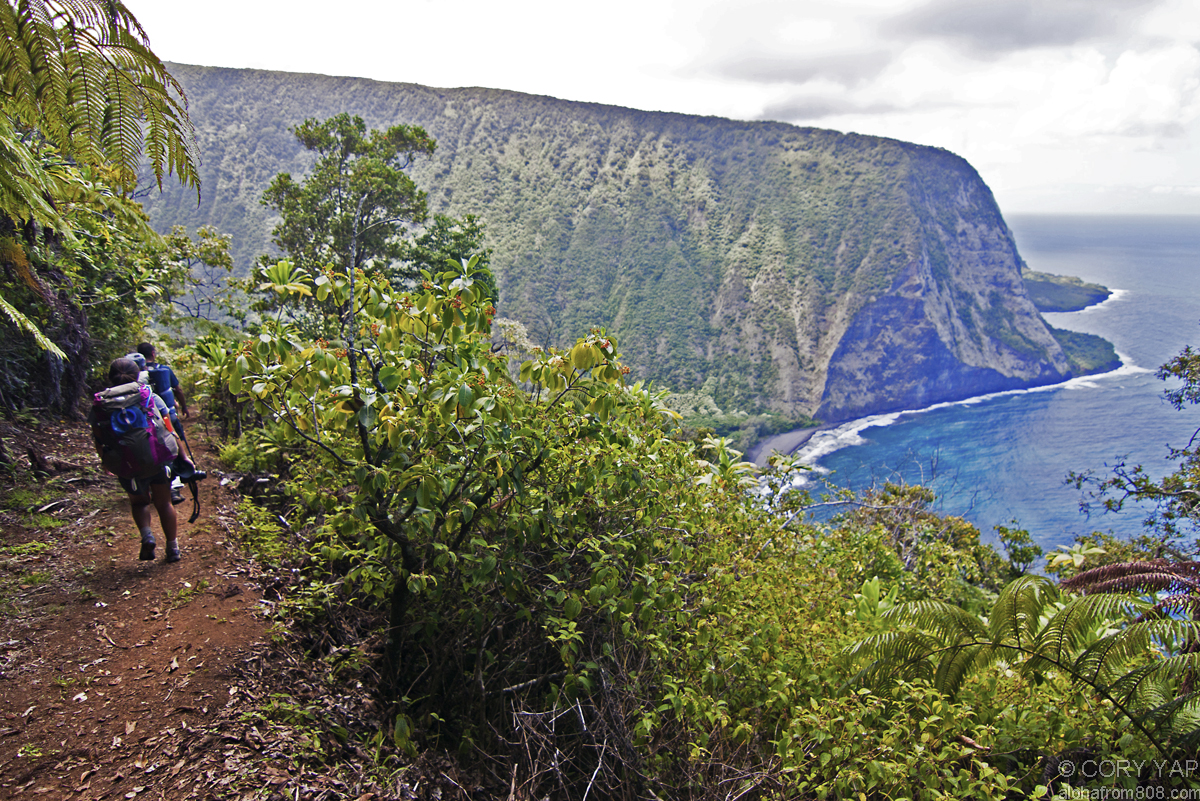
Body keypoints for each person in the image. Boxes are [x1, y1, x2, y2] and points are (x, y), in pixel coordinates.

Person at [101, 357, 183, 563]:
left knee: (139, 502)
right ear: (138, 375)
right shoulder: (150, 397)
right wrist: (183, 457)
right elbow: (169, 429)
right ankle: (172, 548)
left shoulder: (102, 404)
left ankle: (147, 534)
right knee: (164, 503)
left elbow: (100, 437)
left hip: (126, 464)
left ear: (110, 378)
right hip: (157, 459)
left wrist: (106, 462)